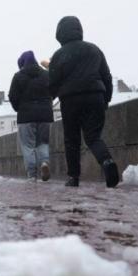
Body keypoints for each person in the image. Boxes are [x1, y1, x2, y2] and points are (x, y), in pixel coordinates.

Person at [48, 16, 120, 188]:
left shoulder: (58, 55)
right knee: (94, 137)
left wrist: (51, 98)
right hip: (95, 96)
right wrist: (106, 98)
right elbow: (106, 76)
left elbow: (52, 83)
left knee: (72, 139)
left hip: (70, 99)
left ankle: (74, 177)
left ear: (60, 34)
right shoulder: (94, 49)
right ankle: (107, 162)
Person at [8, 50, 54, 181]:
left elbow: (12, 96)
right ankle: (44, 162)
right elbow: (53, 90)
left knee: (28, 146)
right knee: (43, 143)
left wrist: (19, 108)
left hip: (26, 116)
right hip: (45, 115)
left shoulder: (18, 76)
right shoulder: (46, 75)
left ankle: (32, 174)